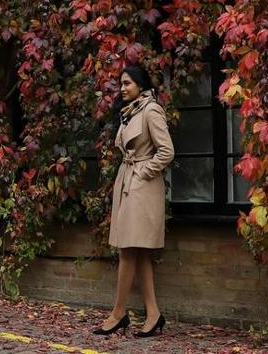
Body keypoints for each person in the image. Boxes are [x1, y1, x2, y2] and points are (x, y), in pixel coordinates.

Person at [93, 64, 174, 338]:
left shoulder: (151, 110)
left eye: (127, 83)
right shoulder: (131, 112)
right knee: (137, 251)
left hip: (142, 185)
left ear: (140, 84)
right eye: (121, 84)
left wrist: (142, 171)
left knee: (128, 249)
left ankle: (118, 312)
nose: (123, 88)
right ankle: (153, 313)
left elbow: (167, 151)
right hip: (128, 182)